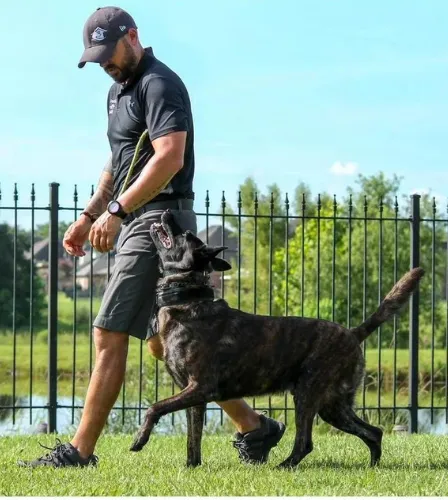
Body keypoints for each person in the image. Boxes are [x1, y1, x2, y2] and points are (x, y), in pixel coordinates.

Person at [19, 6, 285, 468]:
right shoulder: (116, 93)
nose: (105, 62)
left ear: (133, 36)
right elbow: (117, 164)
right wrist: (89, 215)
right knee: (163, 342)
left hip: (158, 221)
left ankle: (78, 452)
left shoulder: (160, 84)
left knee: (107, 330)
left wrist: (119, 212)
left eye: (109, 51)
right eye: (96, 56)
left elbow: (169, 158)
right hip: (137, 219)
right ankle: (256, 427)